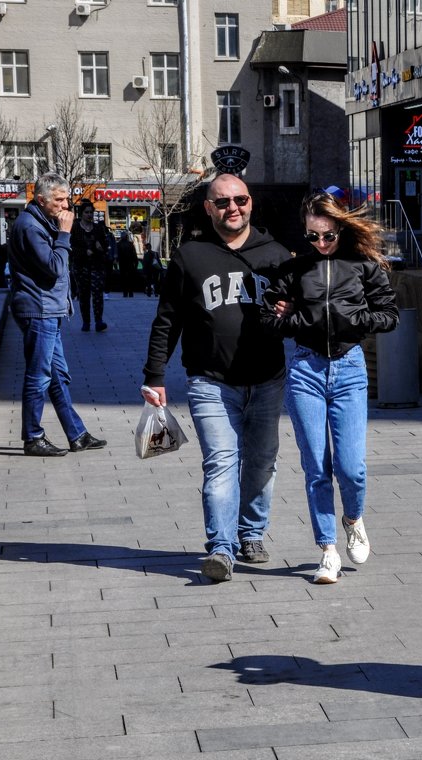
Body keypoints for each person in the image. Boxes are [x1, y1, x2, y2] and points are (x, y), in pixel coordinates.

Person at [141, 173, 290, 582]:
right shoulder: (191, 256)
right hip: (210, 382)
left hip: (267, 380)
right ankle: (221, 549)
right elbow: (167, 320)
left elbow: (299, 316)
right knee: (221, 463)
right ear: (208, 208)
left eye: (239, 199)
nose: (232, 208)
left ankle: (252, 532)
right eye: (222, 202)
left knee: (260, 463)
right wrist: (155, 375)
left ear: (251, 203)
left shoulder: (276, 255)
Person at [261, 191, 398, 584]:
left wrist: (353, 316)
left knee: (351, 468)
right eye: (312, 237)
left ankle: (353, 518)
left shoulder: (364, 267)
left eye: (327, 236)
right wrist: (298, 321)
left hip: (349, 368)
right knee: (316, 466)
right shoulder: (294, 270)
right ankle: (328, 551)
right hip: (305, 369)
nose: (320, 244)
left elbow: (391, 316)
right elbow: (267, 319)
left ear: (341, 229)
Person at [7, 172, 107, 457]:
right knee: (39, 376)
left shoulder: (42, 221)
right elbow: (53, 267)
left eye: (67, 199)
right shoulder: (30, 226)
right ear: (41, 199)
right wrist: (64, 234)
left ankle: (76, 434)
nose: (66, 206)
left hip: (48, 308)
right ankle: (33, 437)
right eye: (59, 200)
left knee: (57, 376)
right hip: (38, 309)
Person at [69, 203, 109, 331]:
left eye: (91, 212)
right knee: (84, 294)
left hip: (96, 265)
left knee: (97, 294)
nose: (89, 215)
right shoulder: (75, 228)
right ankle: (86, 322)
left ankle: (99, 321)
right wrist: (83, 251)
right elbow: (71, 247)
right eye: (86, 212)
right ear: (81, 213)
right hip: (80, 266)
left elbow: (105, 246)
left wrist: (100, 247)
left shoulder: (98, 228)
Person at [116, 231, 138, 297]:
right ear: (126, 237)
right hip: (130, 264)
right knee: (130, 278)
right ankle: (130, 292)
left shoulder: (118, 244)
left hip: (122, 264)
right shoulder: (130, 244)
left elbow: (117, 255)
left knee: (123, 278)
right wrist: (136, 263)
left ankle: (125, 293)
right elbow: (134, 255)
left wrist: (116, 264)